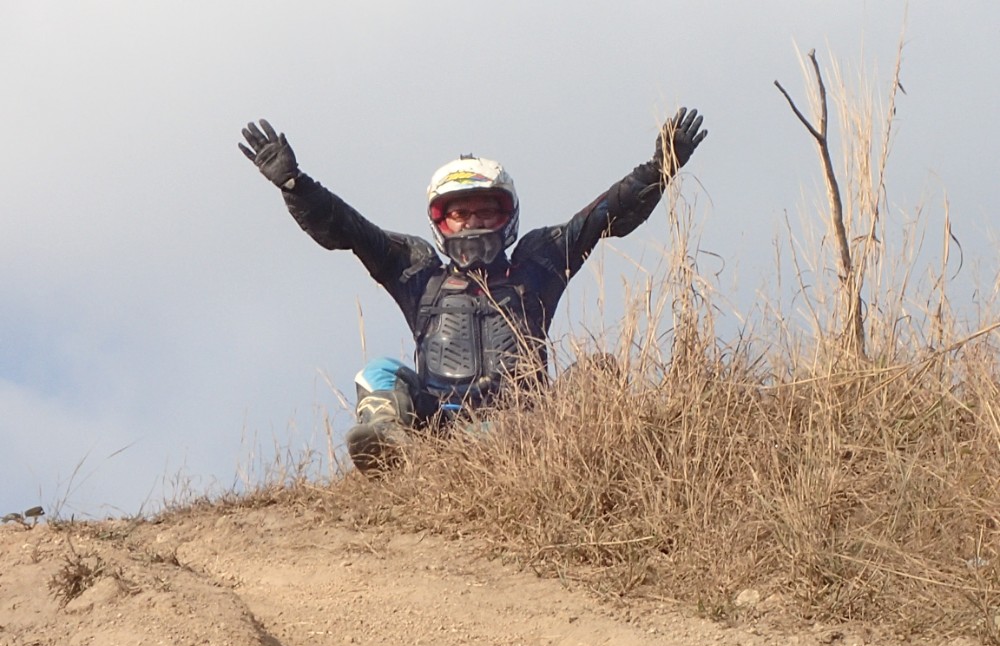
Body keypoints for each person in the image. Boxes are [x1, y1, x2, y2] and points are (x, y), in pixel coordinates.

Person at [239, 109, 707, 473]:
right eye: (460, 213)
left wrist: (658, 168)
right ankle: (392, 453)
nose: (473, 222)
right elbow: (347, 229)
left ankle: (591, 464)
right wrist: (296, 185)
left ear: (507, 215)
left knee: (599, 370)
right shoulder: (417, 271)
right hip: (439, 427)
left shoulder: (539, 263)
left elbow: (603, 216)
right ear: (441, 221)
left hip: (530, 427)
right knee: (379, 371)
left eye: (485, 210)